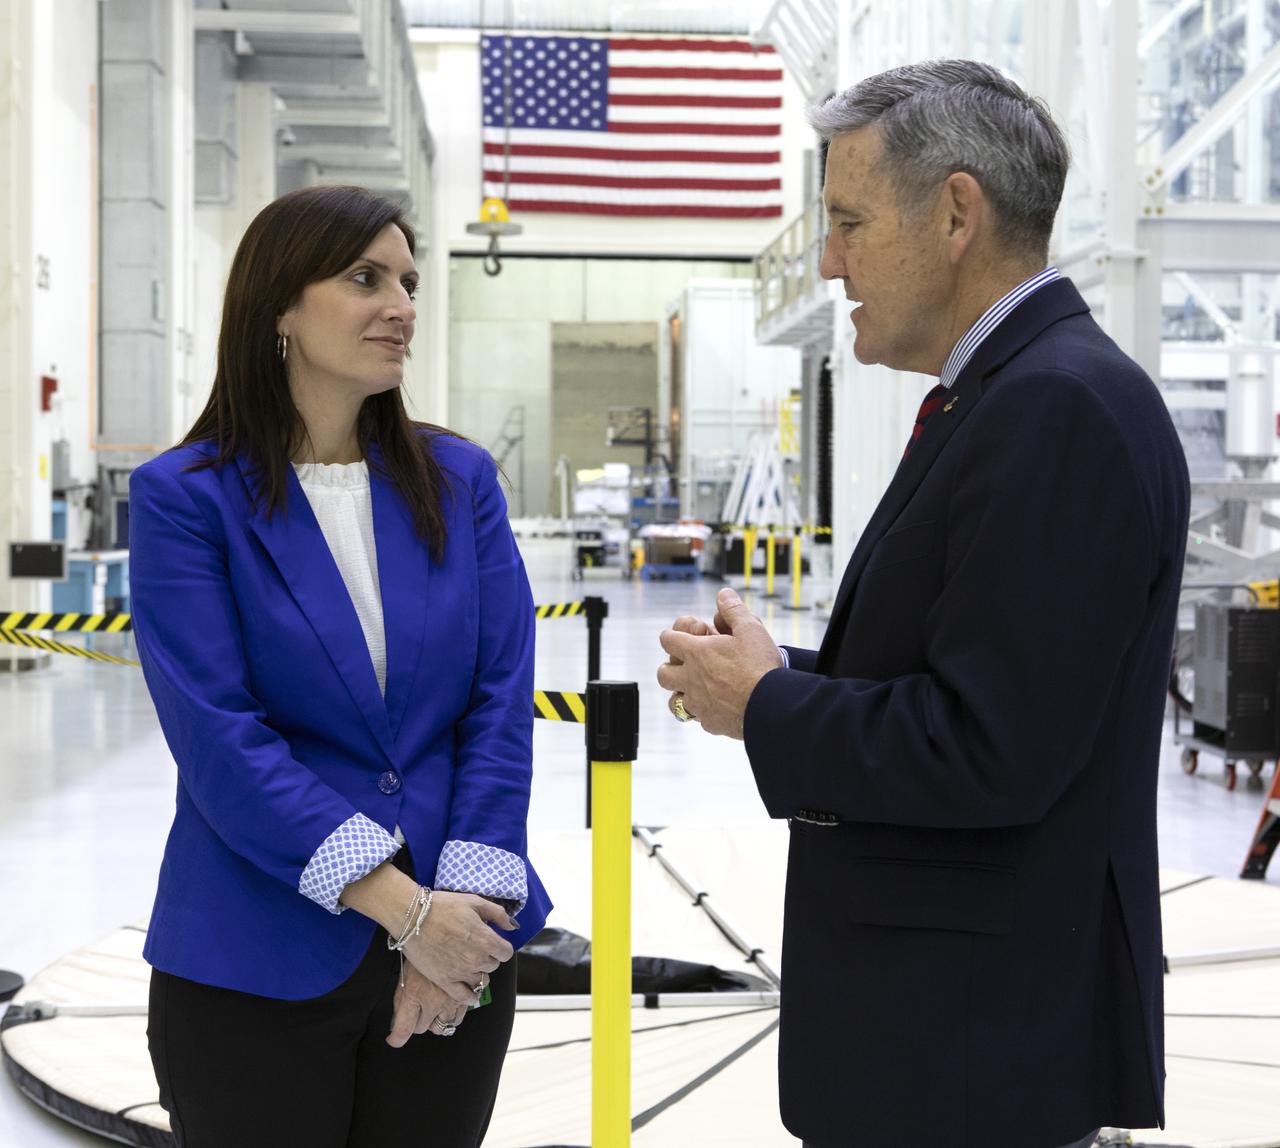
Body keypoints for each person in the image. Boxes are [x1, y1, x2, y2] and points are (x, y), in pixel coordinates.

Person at [657, 61, 1188, 1148]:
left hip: (971, 1056)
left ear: (954, 214)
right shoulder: (1008, 396)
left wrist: (766, 706)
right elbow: (986, 676)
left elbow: (989, 748)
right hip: (958, 1041)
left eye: (848, 222)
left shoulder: (1052, 410)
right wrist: (777, 676)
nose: (828, 260)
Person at [129, 184, 550, 1147]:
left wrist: (457, 924)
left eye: (409, 282)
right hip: (255, 955)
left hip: (459, 940)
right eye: (366, 278)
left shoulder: (460, 482)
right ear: (280, 305)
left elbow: (498, 704)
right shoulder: (185, 500)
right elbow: (220, 740)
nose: (402, 306)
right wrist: (406, 914)